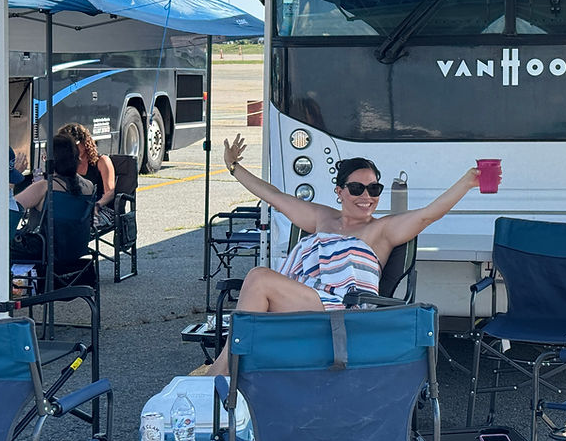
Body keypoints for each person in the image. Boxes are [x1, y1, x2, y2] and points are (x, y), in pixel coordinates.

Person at [208, 132, 487, 374]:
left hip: (345, 309)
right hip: (306, 299)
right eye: (357, 188)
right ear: (340, 191)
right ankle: (235, 374)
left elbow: (428, 215)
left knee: (259, 278)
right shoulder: (322, 217)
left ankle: (221, 372)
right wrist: (233, 167)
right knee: (260, 282)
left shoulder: (383, 230)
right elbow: (275, 197)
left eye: (374, 188)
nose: (367, 196)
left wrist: (466, 183)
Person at [12, 134, 97, 261]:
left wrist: (14, 177)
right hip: (76, 250)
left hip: (44, 251)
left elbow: (8, 207)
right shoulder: (89, 186)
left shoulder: (44, 187)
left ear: (47, 159)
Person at [57, 122, 116, 229]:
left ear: (85, 143)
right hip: (77, 207)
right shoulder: (69, 164)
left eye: (75, 145)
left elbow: (110, 192)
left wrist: (97, 205)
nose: (72, 149)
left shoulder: (102, 161)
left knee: (77, 224)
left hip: (101, 208)